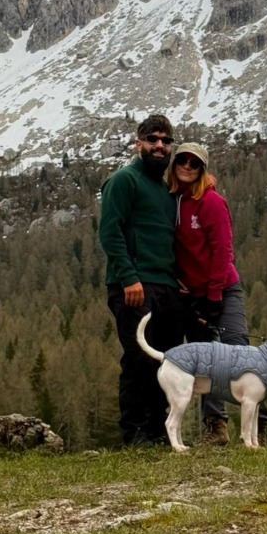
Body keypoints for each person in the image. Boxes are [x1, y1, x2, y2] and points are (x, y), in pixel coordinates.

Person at [167, 141, 267, 446]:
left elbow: (223, 252)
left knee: (240, 354)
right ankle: (216, 428)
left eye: (194, 163)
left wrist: (214, 296)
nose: (187, 166)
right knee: (203, 360)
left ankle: (259, 429)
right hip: (190, 296)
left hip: (223, 290)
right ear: (174, 166)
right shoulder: (172, 202)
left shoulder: (211, 202)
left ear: (202, 169)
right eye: (182, 161)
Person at [99, 113, 185, 447]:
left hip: (166, 287)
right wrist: (128, 278)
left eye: (165, 140)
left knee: (167, 360)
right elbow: (110, 232)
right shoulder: (124, 180)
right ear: (139, 144)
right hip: (133, 286)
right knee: (138, 358)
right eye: (152, 139)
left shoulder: (165, 190)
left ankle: (160, 432)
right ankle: (135, 433)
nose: (159, 146)